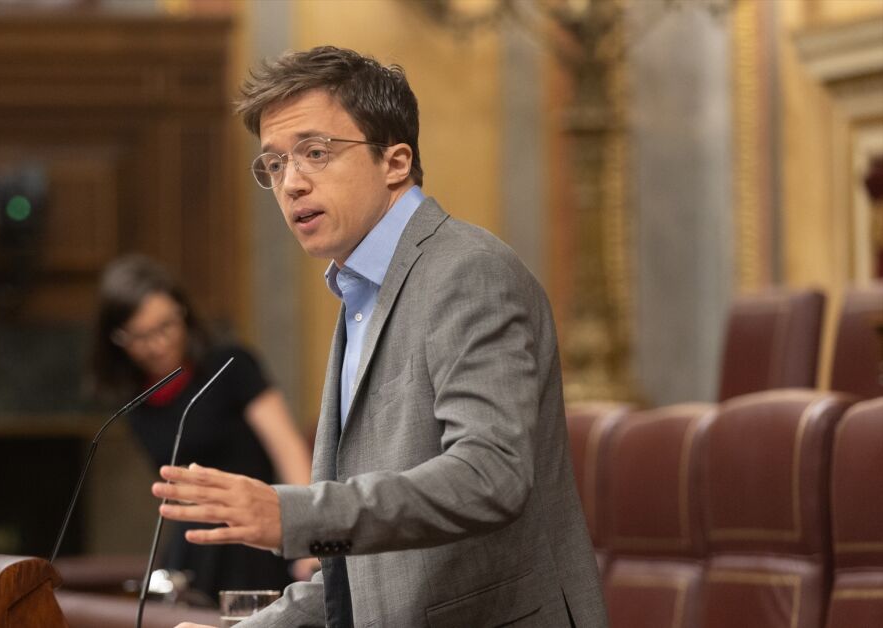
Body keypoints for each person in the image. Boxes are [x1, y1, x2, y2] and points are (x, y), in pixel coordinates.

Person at [153, 46, 607, 627]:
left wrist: (294, 515)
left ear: (395, 162)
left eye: (315, 153)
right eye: (275, 163)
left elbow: (491, 476)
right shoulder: (362, 295)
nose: (291, 183)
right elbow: (358, 575)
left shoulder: (467, 272)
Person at [88, 254, 315, 603]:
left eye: (166, 326)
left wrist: (308, 535)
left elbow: (288, 449)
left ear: (183, 313)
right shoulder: (136, 400)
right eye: (141, 336)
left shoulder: (230, 365)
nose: (158, 344)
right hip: (193, 546)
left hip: (255, 538)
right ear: (117, 339)